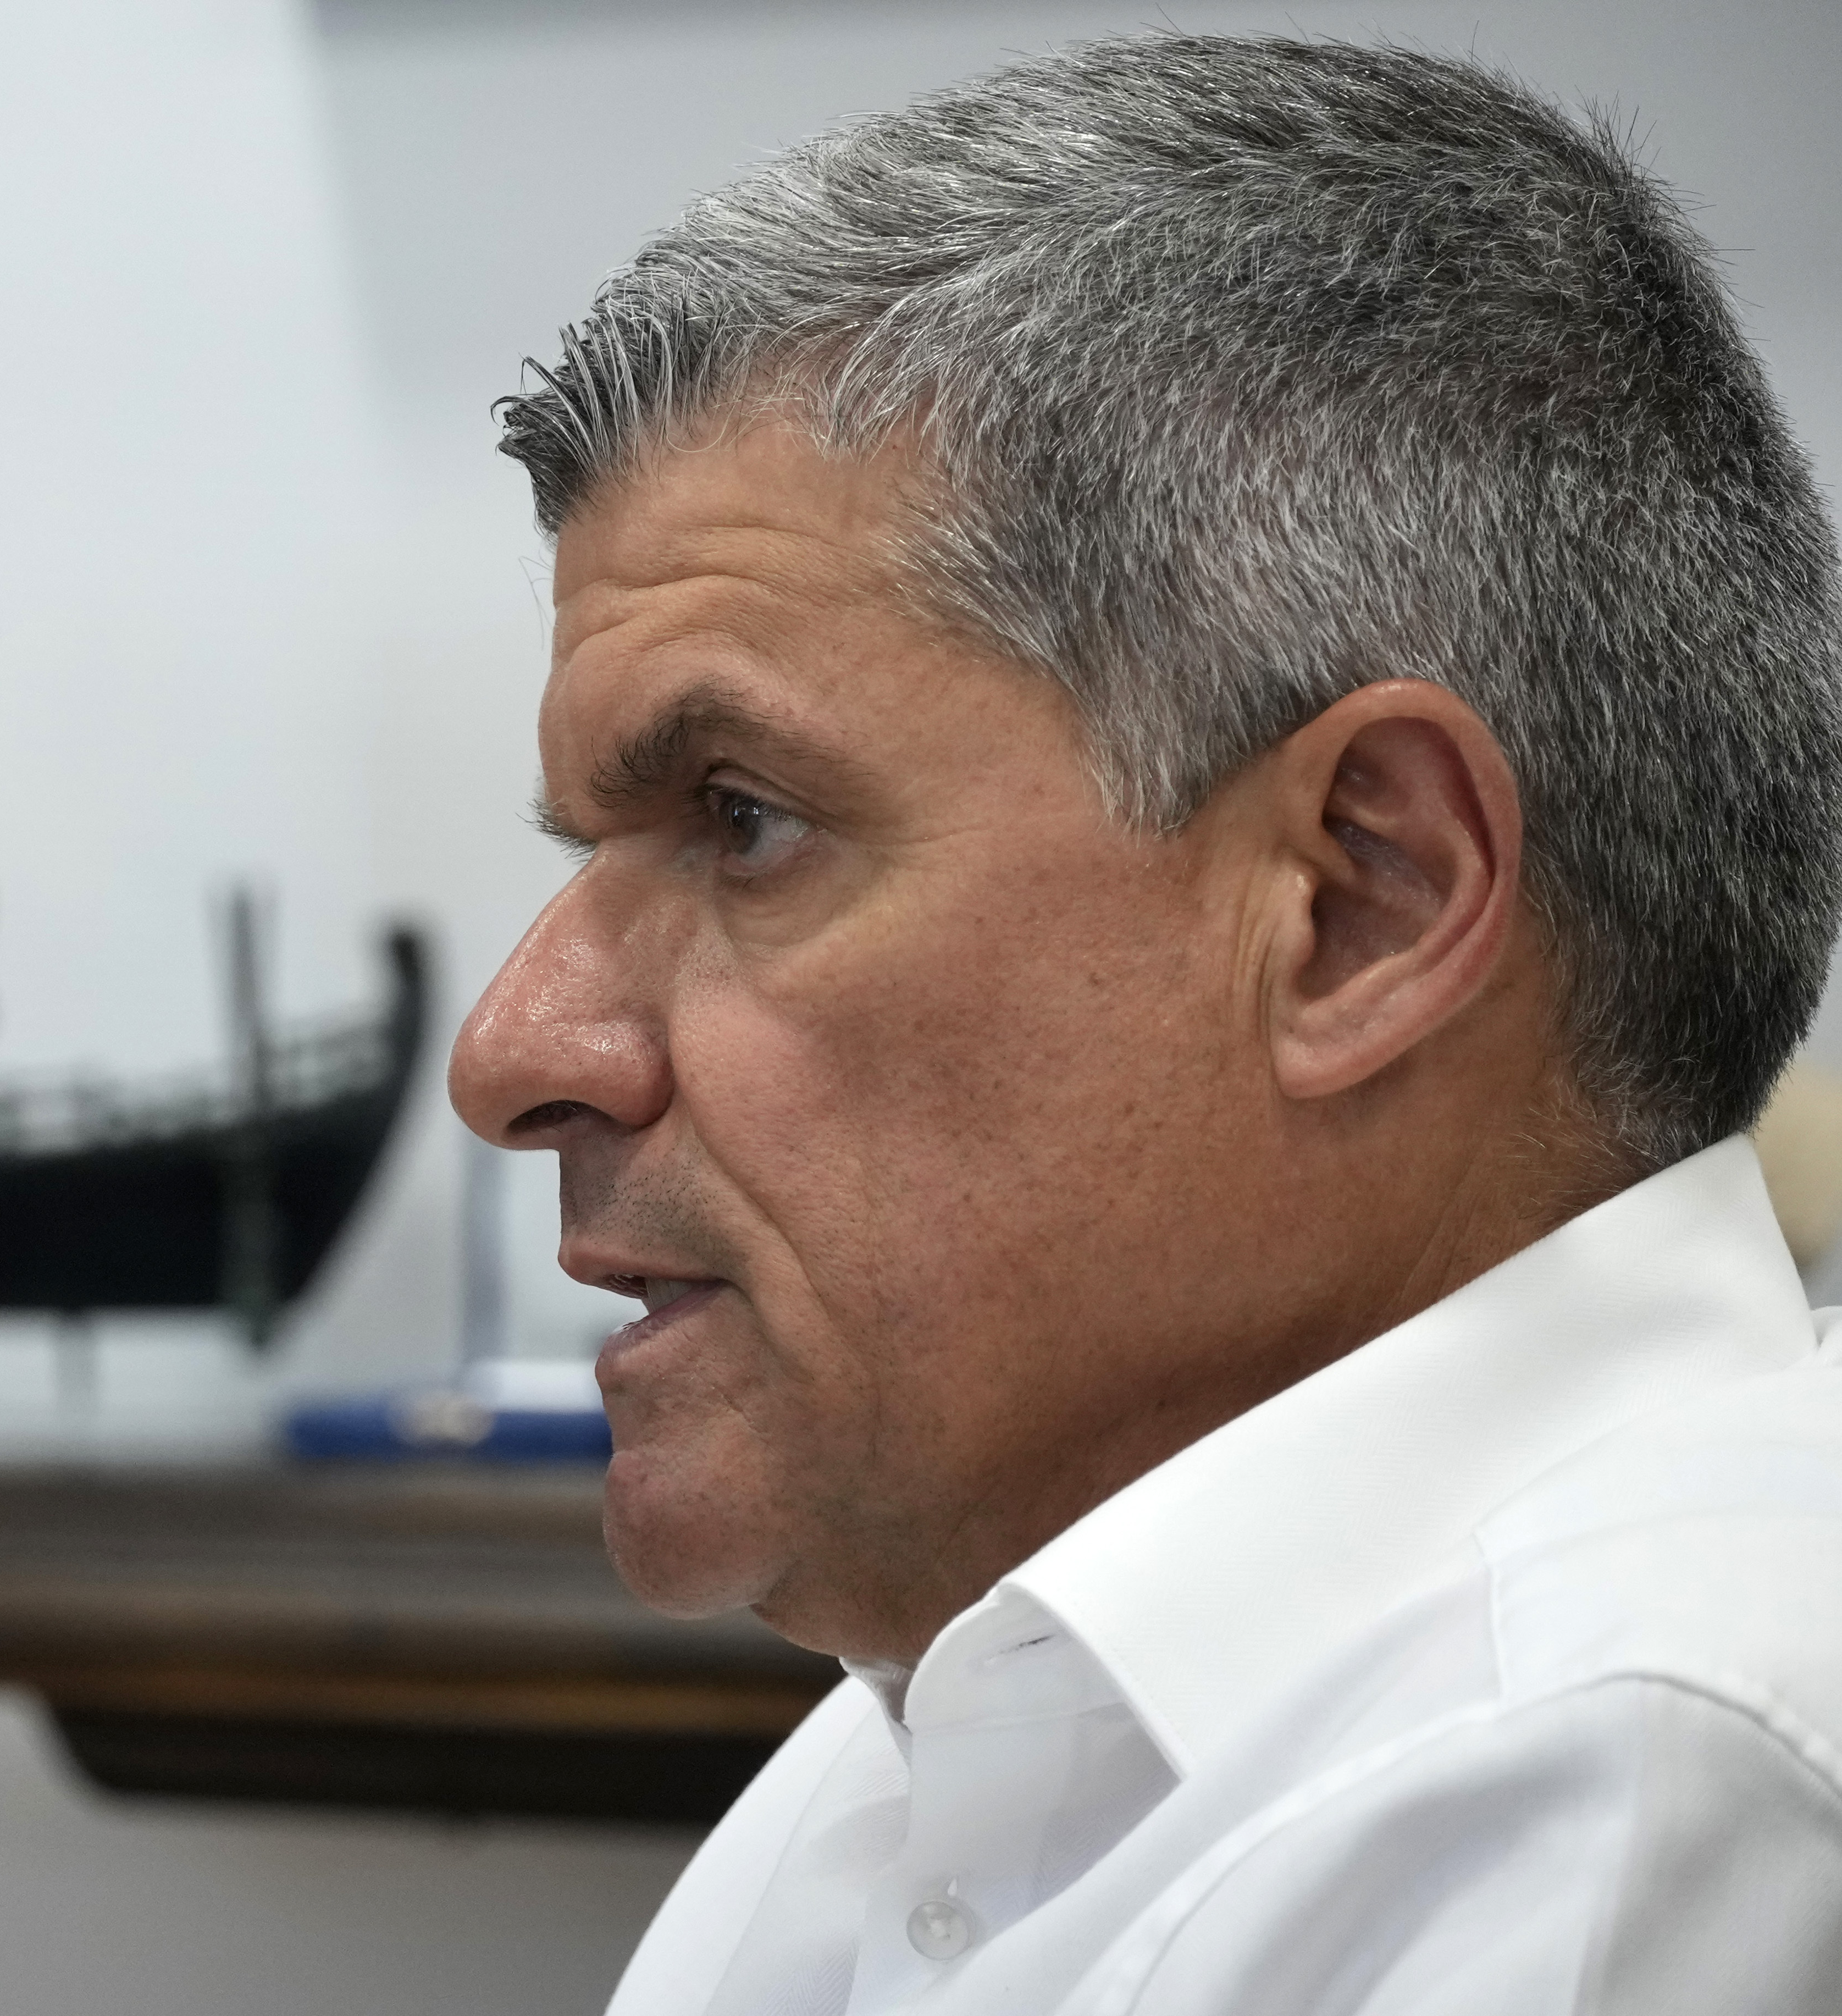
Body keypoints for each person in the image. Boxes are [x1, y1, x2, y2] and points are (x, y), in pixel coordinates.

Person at [446, 33, 1842, 2015]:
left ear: (1364, 900)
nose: (515, 1049)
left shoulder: (1617, 1780)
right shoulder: (972, 1710)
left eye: (741, 823)